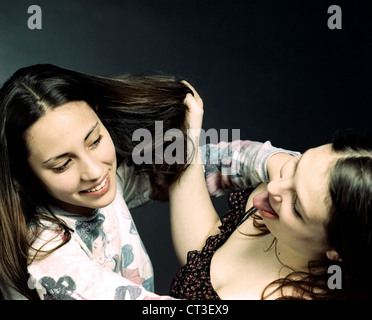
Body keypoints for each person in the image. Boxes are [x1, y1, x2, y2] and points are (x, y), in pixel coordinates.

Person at [0, 64, 295, 300]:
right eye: (63, 164)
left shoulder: (101, 181)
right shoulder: (44, 254)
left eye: (94, 140)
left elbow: (194, 167)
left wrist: (279, 163)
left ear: (98, 114)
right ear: (22, 170)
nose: (93, 171)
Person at [169, 87, 372, 300]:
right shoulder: (278, 191)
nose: (274, 187)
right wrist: (187, 139)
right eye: (296, 164)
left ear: (336, 251)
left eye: (296, 207)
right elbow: (202, 253)